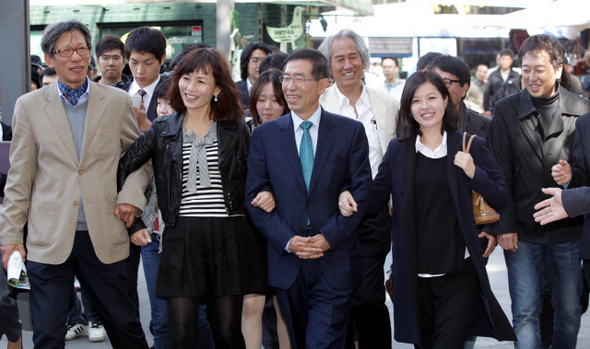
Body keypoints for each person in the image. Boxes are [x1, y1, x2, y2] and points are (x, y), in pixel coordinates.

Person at [0, 19, 151, 349]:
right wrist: (11, 236)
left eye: (81, 48)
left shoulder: (115, 102)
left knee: (126, 329)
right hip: (49, 237)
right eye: (65, 50)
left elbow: (142, 159)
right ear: (50, 58)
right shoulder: (28, 106)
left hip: (104, 233)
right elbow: (19, 178)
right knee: (48, 335)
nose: (75, 57)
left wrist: (130, 196)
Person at [342, 70, 515, 348]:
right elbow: (374, 199)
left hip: (459, 273)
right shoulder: (399, 150)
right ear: (408, 108)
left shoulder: (470, 146)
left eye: (432, 97)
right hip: (414, 274)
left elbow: (501, 197)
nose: (425, 106)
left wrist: (474, 173)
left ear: (446, 100)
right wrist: (347, 194)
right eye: (416, 100)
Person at [118, 47, 268, 349]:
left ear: (217, 89)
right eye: (186, 78)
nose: (191, 87)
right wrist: (134, 224)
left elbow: (257, 177)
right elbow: (124, 167)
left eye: (201, 81)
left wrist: (266, 192)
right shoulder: (163, 128)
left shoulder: (236, 128)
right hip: (181, 237)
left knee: (227, 333)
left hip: (228, 236)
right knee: (181, 334)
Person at [245, 48, 372, 349]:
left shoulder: (349, 132)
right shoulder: (265, 136)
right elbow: (254, 195)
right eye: (287, 79)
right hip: (288, 262)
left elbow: (362, 191)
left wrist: (328, 237)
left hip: (334, 259)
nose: (289, 86)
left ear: (322, 85)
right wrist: (288, 240)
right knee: (303, 340)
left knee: (322, 342)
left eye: (300, 79)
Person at [488, 34, 590, 349]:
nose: (531, 77)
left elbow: (588, 172)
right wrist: (503, 225)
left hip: (568, 230)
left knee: (571, 312)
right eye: (526, 69)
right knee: (525, 313)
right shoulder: (505, 110)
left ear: (558, 70)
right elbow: (498, 172)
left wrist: (574, 173)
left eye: (539, 70)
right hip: (522, 230)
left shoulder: (581, 109)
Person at [317, 29, 396, 349]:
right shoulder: (318, 104)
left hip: (374, 212)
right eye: (340, 58)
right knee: (338, 297)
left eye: (353, 56)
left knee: (368, 295)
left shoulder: (388, 104)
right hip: (329, 215)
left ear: (363, 61)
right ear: (329, 64)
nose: (347, 64)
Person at [242, 68, 291, 349]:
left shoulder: (295, 134)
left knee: (284, 308)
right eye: (261, 99)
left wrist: (272, 192)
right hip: (249, 234)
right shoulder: (241, 131)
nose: (267, 106)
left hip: (284, 230)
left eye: (275, 99)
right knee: (251, 305)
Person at [119, 26, 167, 132]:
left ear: (162, 59)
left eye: (148, 63)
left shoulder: (174, 95)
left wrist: (145, 125)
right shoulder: (116, 93)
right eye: (134, 62)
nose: (140, 70)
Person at [484, 49, 520, 116]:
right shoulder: (493, 75)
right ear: (499, 60)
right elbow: (487, 94)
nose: (505, 61)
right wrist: (487, 109)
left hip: (513, 110)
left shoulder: (516, 76)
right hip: (496, 110)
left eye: (507, 59)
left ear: (511, 61)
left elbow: (520, 92)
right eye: (503, 59)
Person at [237, 42, 272, 108]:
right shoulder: (234, 90)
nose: (259, 65)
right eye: (255, 61)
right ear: (245, 64)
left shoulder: (277, 88)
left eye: (264, 60)